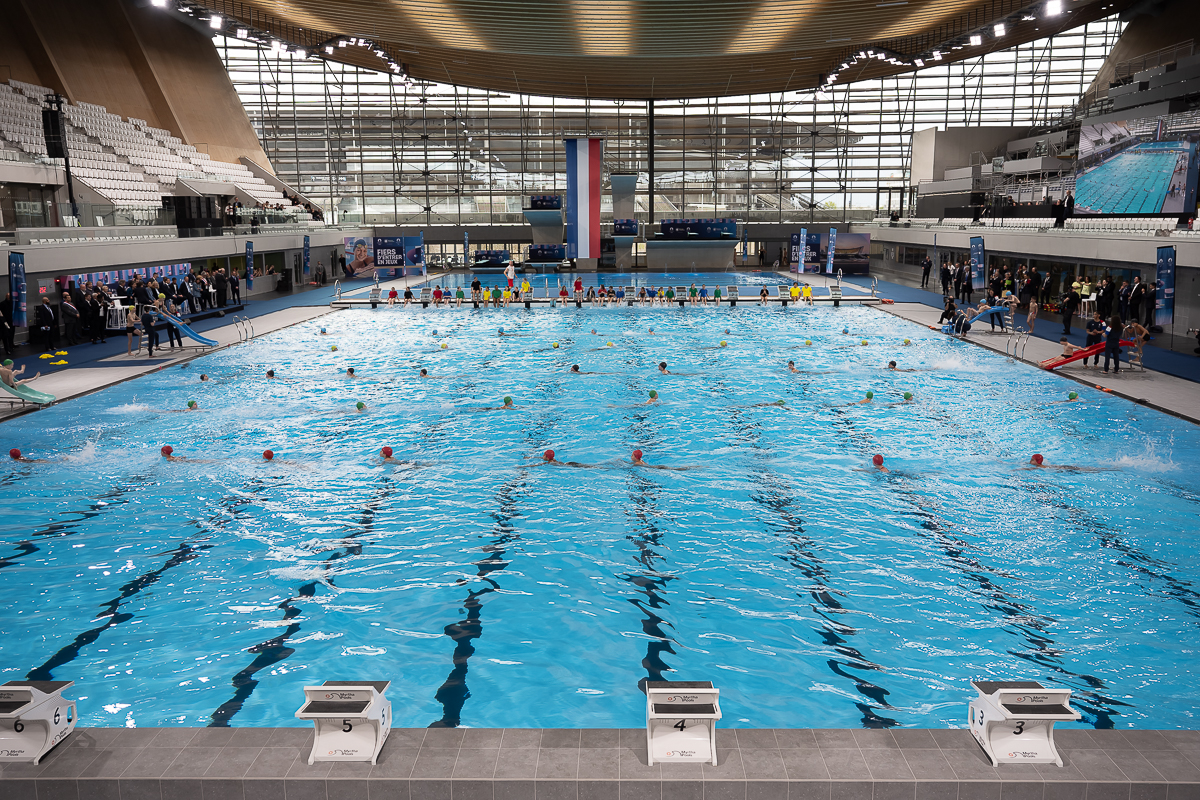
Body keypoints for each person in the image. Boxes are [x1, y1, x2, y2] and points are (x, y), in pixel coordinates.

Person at [0, 290, 15, 356]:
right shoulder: (2, 304)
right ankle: (8, 348)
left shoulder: (12, 303)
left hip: (8, 322)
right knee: (4, 337)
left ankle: (9, 348)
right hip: (2, 324)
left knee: (8, 336)